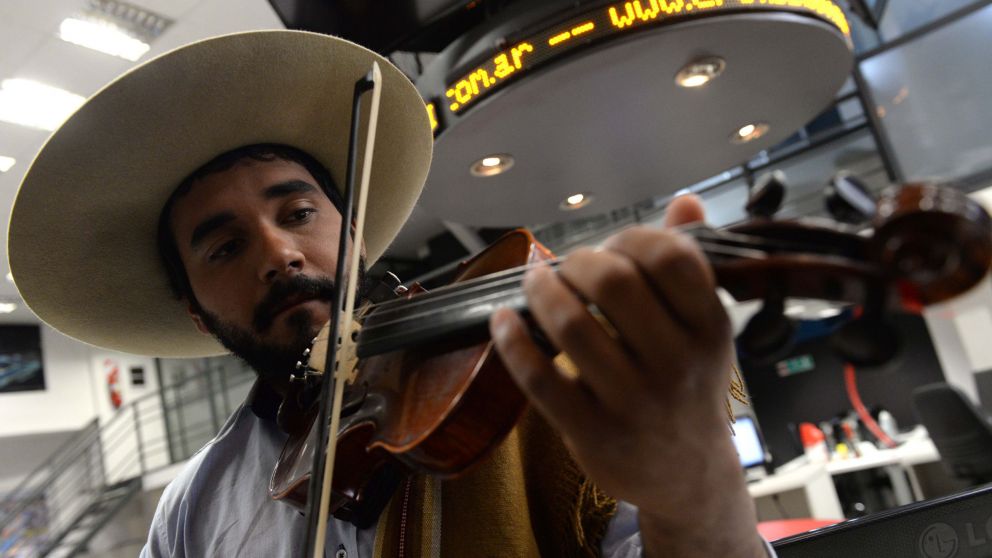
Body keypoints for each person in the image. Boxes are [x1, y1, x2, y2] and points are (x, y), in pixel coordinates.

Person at [9, 31, 771, 557]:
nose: (278, 252)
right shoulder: (193, 512)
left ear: (357, 237)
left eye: (299, 212)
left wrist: (694, 489)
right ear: (196, 311)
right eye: (226, 246)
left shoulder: (546, 390)